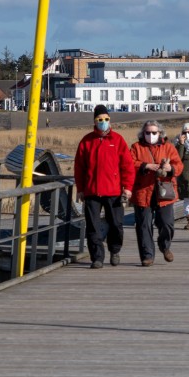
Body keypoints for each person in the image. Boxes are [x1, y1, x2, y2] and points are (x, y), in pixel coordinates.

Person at [73, 105, 136, 268]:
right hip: (92, 191)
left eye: (106, 119)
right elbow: (79, 167)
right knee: (93, 226)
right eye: (99, 120)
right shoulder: (86, 141)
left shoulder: (118, 140)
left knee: (116, 223)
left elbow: (127, 166)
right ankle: (97, 257)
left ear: (110, 120)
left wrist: (127, 187)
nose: (103, 122)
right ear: (94, 121)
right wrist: (80, 189)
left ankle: (115, 250)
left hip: (114, 191)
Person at [130, 120, 184, 266]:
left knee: (167, 223)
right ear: (143, 133)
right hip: (143, 192)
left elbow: (179, 166)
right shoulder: (136, 147)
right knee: (144, 225)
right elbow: (129, 164)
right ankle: (147, 256)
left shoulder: (169, 147)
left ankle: (165, 246)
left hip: (164, 191)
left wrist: (169, 168)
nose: (151, 135)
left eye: (154, 132)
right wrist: (145, 165)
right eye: (147, 133)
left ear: (160, 133)